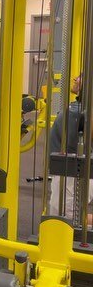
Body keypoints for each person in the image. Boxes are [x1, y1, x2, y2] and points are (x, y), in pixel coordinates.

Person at [48, 74, 93, 223]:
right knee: (60, 214)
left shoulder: (81, 113)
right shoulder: (76, 109)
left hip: (71, 172)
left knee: (65, 218)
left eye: (81, 76)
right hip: (64, 169)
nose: (75, 78)